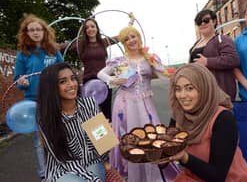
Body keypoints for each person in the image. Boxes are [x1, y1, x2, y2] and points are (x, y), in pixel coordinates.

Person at [97, 26, 178, 182]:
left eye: (133, 36)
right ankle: (131, 175)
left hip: (146, 103)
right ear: (123, 43)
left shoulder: (150, 58)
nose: (131, 41)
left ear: (139, 37)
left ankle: (154, 174)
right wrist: (112, 80)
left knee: (152, 135)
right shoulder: (121, 61)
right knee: (130, 137)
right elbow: (101, 73)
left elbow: (164, 74)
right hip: (125, 104)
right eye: (126, 39)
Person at [167, 63, 247, 182]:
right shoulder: (179, 116)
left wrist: (184, 157)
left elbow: (217, 176)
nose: (182, 95)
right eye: (178, 89)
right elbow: (168, 151)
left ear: (204, 88)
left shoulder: (223, 118)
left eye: (190, 88)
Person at [37, 62, 106, 182]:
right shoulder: (46, 118)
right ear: (51, 87)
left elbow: (102, 144)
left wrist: (105, 134)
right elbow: (63, 160)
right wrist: (94, 179)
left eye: (73, 79)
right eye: (63, 81)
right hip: (63, 168)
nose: (72, 84)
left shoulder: (89, 105)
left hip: (92, 160)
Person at [14, 14, 63, 179]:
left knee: (58, 134)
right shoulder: (23, 54)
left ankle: (61, 168)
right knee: (39, 140)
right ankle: (44, 175)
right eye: (31, 30)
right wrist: (22, 82)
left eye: (38, 29)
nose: (35, 32)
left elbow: (63, 71)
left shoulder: (53, 50)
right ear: (26, 33)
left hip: (55, 98)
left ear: (44, 31)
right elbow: (18, 80)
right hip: (33, 101)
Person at [72, 13, 135, 121]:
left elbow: (121, 36)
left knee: (106, 112)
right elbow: (60, 46)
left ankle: (109, 137)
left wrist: (131, 22)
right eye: (87, 27)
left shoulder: (103, 42)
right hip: (88, 82)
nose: (90, 29)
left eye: (92, 26)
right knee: (91, 114)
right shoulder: (80, 43)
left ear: (97, 28)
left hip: (104, 80)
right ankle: (94, 137)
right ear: (84, 31)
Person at [189, 9, 240, 101]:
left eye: (206, 20)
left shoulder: (222, 39)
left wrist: (207, 62)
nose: (203, 24)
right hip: (200, 92)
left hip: (219, 93)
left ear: (214, 21)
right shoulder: (195, 44)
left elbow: (233, 59)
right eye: (199, 22)